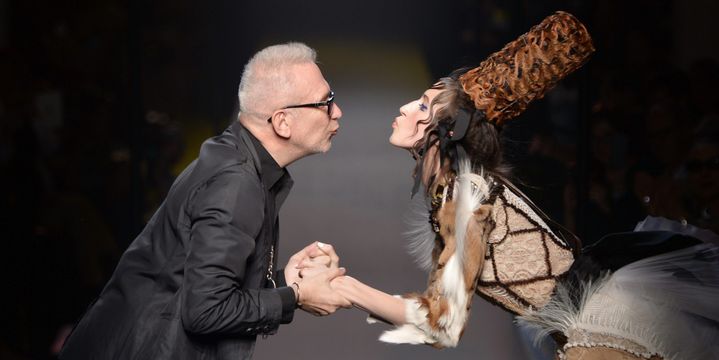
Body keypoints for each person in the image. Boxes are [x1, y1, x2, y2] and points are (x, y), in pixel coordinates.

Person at [298, 12, 719, 360]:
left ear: (444, 131)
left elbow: (440, 325)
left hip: (604, 323)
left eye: (424, 105)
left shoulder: (464, 196)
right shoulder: (461, 188)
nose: (406, 107)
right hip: (588, 319)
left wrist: (347, 288)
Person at [59, 42, 351, 360]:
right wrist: (293, 297)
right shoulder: (236, 184)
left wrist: (282, 281)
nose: (337, 112)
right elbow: (206, 311)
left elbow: (205, 283)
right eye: (325, 103)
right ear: (282, 122)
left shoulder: (236, 160)